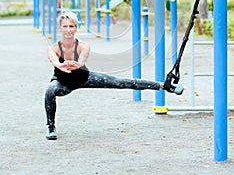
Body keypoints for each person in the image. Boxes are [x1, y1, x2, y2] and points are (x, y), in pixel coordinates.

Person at [44, 11, 183, 140]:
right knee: (50, 90)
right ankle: (51, 127)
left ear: (76, 28)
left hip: (84, 78)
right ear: (60, 28)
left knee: (122, 82)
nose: (68, 30)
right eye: (65, 26)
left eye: (71, 26)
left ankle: (164, 85)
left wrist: (77, 65)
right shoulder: (54, 48)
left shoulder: (84, 45)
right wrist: (60, 65)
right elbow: (53, 59)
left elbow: (81, 61)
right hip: (63, 82)